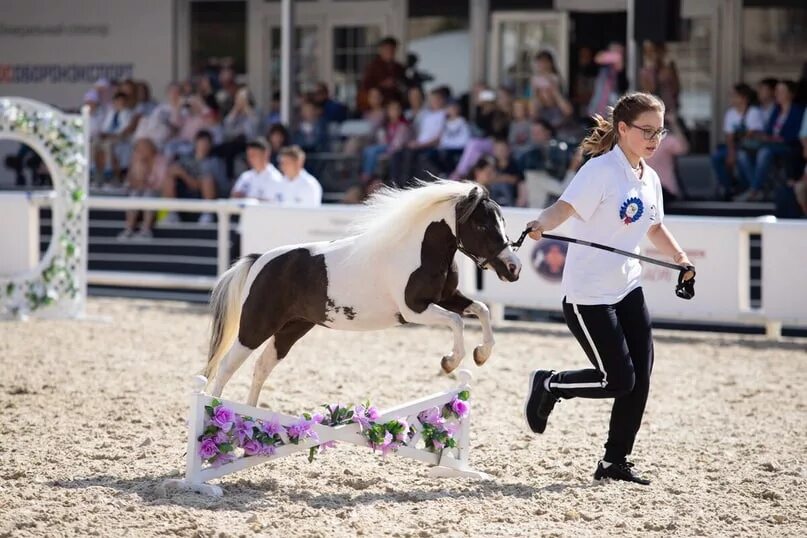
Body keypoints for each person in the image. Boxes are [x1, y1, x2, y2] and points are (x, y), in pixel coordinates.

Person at [522, 92, 695, 485]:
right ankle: (549, 383)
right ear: (622, 129)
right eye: (646, 131)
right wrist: (542, 224)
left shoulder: (649, 177)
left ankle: (614, 462)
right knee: (617, 380)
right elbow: (563, 208)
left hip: (628, 287)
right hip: (590, 296)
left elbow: (652, 226)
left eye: (660, 131)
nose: (655, 139)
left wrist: (682, 259)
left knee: (641, 377)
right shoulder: (599, 171)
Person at [735, 80, 805, 201]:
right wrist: (764, 137)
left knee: (764, 152)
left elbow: (796, 135)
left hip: (788, 146)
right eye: (776, 91)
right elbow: (768, 130)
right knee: (742, 154)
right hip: (771, 144)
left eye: (781, 91)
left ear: (790, 94)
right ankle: (756, 188)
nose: (777, 94)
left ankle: (754, 191)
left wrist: (777, 138)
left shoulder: (798, 111)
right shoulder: (777, 110)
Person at [711, 83, 765, 199]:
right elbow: (729, 136)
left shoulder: (754, 112)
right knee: (717, 157)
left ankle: (753, 189)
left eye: (734, 95)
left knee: (742, 156)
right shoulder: (730, 113)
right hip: (735, 148)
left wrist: (736, 150)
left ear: (744, 98)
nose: (731, 98)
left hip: (752, 149)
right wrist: (731, 153)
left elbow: (752, 134)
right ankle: (729, 187)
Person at [161, 130, 225, 223]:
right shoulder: (186, 158)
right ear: (196, 143)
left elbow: (220, 183)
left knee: (208, 180)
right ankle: (172, 213)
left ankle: (207, 214)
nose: (204, 146)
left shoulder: (215, 161)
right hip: (186, 188)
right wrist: (188, 178)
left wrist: (197, 182)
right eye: (202, 142)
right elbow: (173, 169)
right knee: (169, 178)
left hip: (207, 192)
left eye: (207, 143)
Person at [118, 137, 168, 240]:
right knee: (134, 195)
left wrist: (146, 177)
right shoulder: (136, 159)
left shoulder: (161, 160)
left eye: (144, 148)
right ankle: (129, 229)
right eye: (139, 148)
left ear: (151, 148)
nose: (141, 151)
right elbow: (130, 181)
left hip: (157, 191)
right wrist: (141, 173)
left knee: (148, 195)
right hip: (139, 189)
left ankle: (146, 230)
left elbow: (161, 183)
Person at [360, 99, 411, 182]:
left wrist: (388, 151)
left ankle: (367, 174)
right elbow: (381, 139)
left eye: (397, 109)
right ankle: (366, 173)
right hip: (385, 146)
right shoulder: (385, 125)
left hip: (394, 149)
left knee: (371, 151)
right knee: (367, 150)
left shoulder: (403, 126)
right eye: (392, 109)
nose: (395, 112)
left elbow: (399, 143)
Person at [646, 112, 689, 205]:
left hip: (664, 189)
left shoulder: (666, 141)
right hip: (649, 189)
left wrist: (674, 124)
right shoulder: (666, 141)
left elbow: (683, 148)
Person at [358, 36, 406, 112]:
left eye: (392, 49)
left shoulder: (399, 67)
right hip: (377, 107)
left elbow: (404, 84)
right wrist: (382, 85)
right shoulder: (372, 67)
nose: (389, 52)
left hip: (395, 106)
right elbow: (365, 86)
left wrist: (397, 84)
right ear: (381, 50)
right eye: (387, 49)